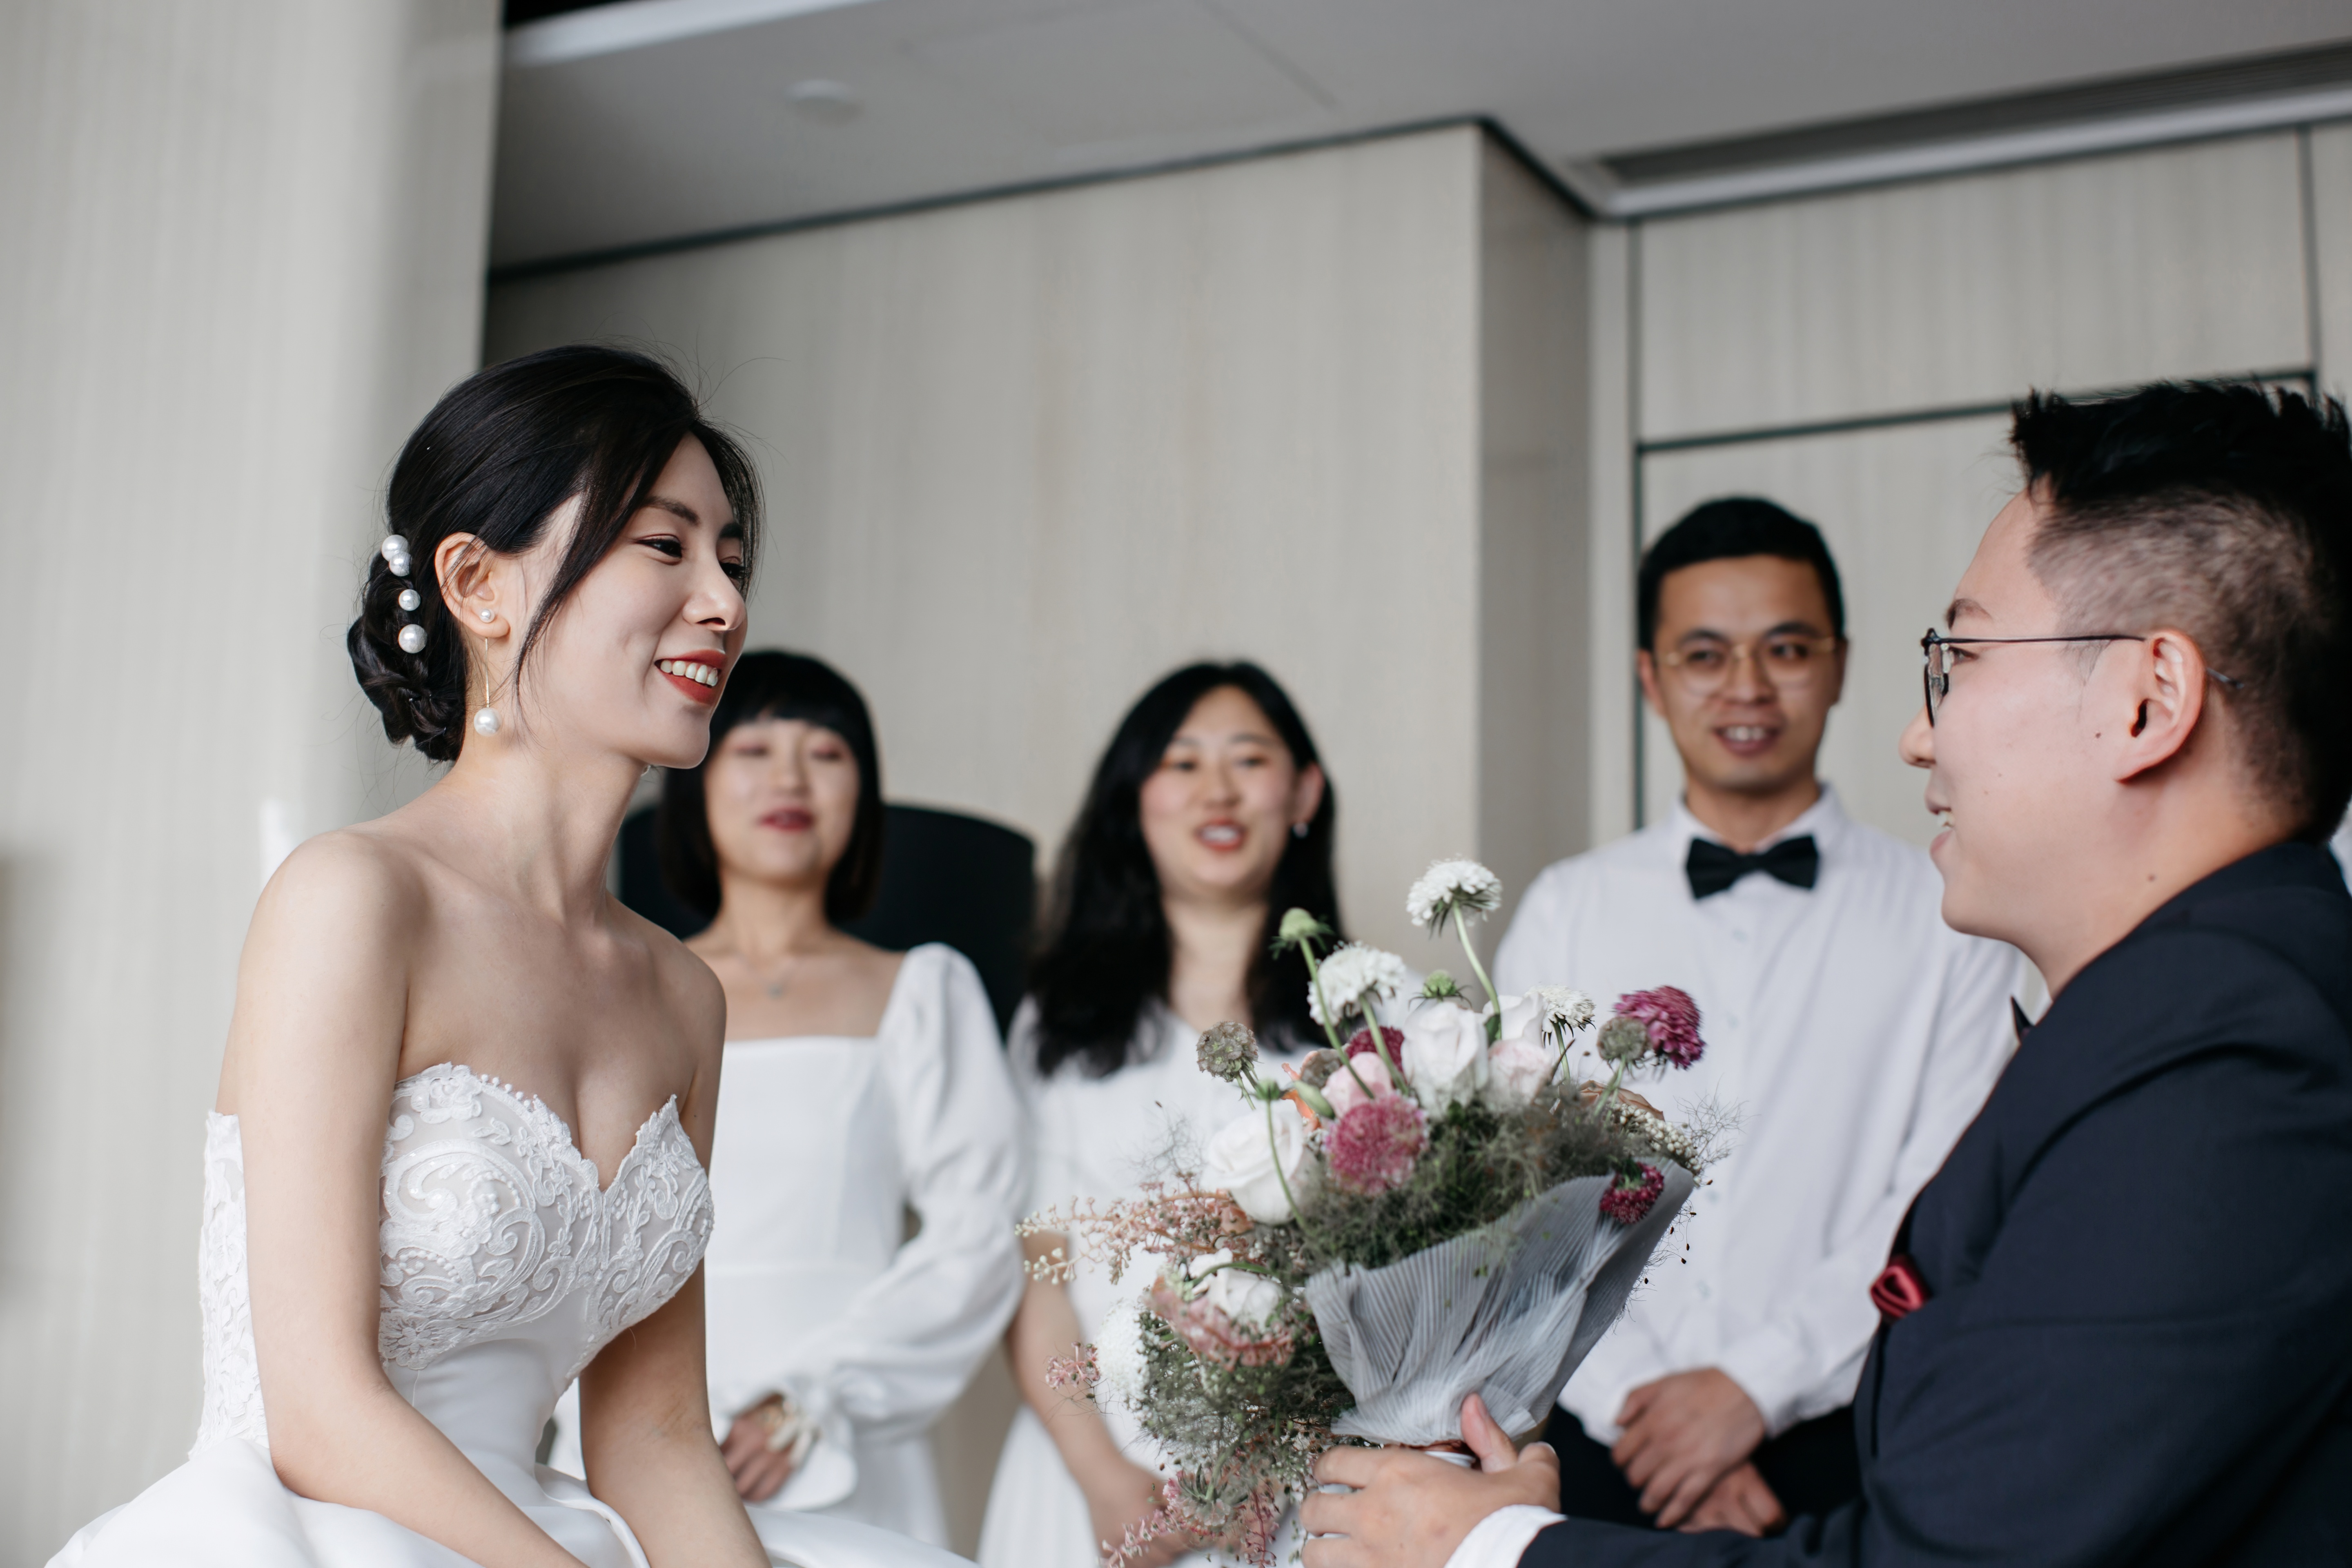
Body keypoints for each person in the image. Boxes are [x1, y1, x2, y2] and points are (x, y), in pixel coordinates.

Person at [1301, 381, 2352, 1567]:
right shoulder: (2201, 1012)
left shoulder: (2235, 1054)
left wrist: (1495, 1551)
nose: (1919, 733)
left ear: (2149, 701)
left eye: (1959, 656)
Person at [51, 346, 962, 1568]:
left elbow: (655, 1438)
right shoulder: (353, 901)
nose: (724, 605)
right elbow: (318, 1407)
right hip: (324, 1525)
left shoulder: (682, 997)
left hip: (550, 1525)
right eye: (665, 545)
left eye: (734, 563)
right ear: (478, 585)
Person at [1488, 499, 2020, 1536]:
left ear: (1840, 664)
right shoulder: (1566, 908)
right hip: (1603, 1437)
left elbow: (1944, 1185)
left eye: (1785, 649)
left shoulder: (1953, 905)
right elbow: (1527, 1186)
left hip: (1853, 1434)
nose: (1747, 687)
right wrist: (1644, 1411)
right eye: (1705, 655)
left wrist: (1752, 1389)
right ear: (1650, 678)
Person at [557, 650, 1023, 1548]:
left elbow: (979, 1236)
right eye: (755, 749)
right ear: (696, 778)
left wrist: (815, 1400)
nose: (791, 779)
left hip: (848, 1449)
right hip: (623, 1431)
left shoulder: (924, 991)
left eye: (827, 753)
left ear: (865, 793)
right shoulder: (621, 985)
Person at [978, 663, 1339, 1568]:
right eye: (1182, 764)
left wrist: (1271, 1462)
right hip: (1084, 1483)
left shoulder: (1365, 1019)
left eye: (1248, 759)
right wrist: (1106, 1481)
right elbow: (1036, 1273)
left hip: (1303, 1491)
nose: (1217, 791)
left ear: (1304, 792)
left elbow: (1408, 1280)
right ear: (1134, 798)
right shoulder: (1058, 1026)